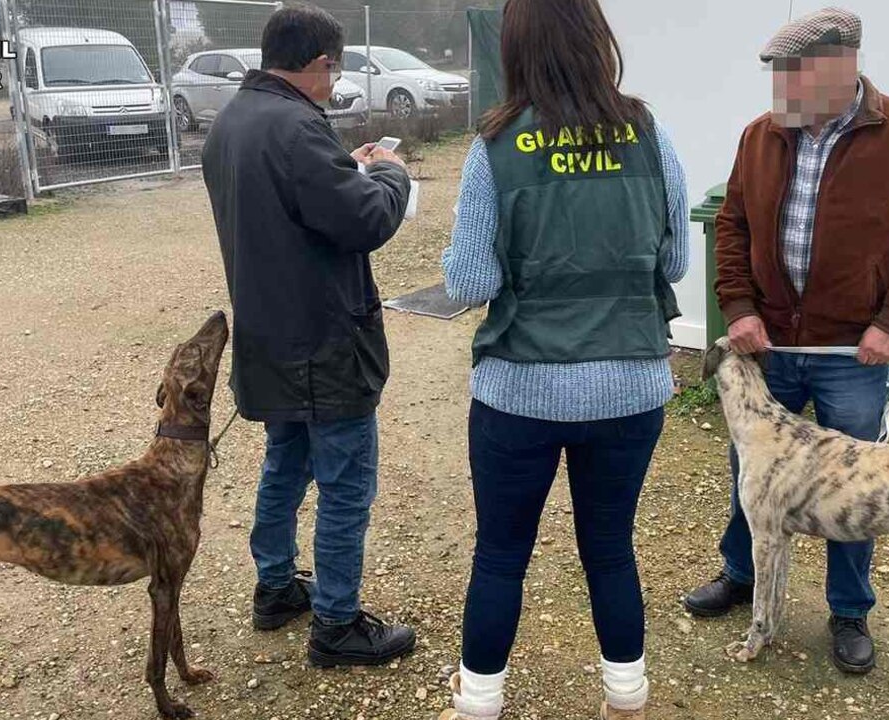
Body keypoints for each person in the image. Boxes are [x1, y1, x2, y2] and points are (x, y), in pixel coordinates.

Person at [682, 7, 889, 676]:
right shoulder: (762, 135)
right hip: (769, 347)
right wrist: (738, 308)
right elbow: (732, 229)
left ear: (840, 67)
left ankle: (848, 610)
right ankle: (741, 575)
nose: (781, 94)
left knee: (856, 490)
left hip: (851, 356)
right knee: (749, 472)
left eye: (791, 77)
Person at [438, 0, 690, 717]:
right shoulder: (648, 133)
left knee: (500, 555)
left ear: (515, 48)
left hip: (520, 390)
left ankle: (479, 704)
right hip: (631, 386)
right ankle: (626, 695)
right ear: (595, 38)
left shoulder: (496, 145)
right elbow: (673, 260)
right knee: (610, 550)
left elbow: (472, 282)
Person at [201, 3, 416, 668]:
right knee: (345, 483)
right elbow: (365, 221)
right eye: (334, 68)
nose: (333, 79)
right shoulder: (296, 128)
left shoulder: (233, 122)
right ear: (323, 63)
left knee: (285, 465)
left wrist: (340, 164)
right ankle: (338, 624)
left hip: (267, 338)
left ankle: (274, 588)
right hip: (324, 341)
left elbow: (292, 198)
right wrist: (390, 173)